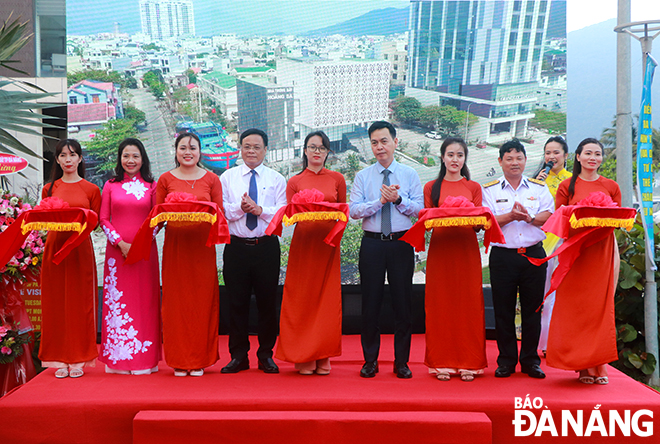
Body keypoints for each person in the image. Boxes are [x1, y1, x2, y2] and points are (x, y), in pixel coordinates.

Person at [350, 121, 423, 379]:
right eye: (374, 143)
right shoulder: (363, 176)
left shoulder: (410, 175)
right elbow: (354, 211)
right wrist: (379, 202)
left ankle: (401, 362)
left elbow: (419, 211)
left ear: (395, 142)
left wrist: (399, 200)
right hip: (371, 244)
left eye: (384, 141)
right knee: (370, 303)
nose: (379, 147)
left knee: (403, 303)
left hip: (401, 242)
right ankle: (370, 360)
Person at [550, 138, 621, 385]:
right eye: (588, 153)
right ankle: (581, 367)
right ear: (577, 157)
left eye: (597, 154)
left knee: (598, 308)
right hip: (575, 252)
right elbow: (560, 220)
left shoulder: (611, 186)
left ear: (602, 158)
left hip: (601, 252)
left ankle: (599, 365)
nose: (593, 157)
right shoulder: (567, 187)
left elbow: (618, 219)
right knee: (576, 307)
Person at [275, 131, 346, 375]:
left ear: (328, 152)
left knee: (327, 301)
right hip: (304, 246)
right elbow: (289, 217)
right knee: (302, 300)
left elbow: (343, 213)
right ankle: (303, 355)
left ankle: (323, 354)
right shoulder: (294, 181)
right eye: (312, 147)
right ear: (304, 151)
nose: (317, 151)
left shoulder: (337, 179)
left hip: (328, 246)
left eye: (322, 147)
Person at [482, 139, 553, 379]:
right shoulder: (490, 190)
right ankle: (506, 361)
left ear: (525, 160)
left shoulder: (538, 188)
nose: (514, 162)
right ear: (500, 162)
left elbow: (548, 215)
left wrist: (530, 218)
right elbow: (487, 220)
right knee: (504, 310)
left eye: (518, 158)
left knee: (533, 309)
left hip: (533, 254)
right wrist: (512, 216)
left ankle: (531, 361)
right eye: (509, 158)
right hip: (503, 256)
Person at [156, 132, 223, 377]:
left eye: (192, 148)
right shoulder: (165, 179)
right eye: (183, 147)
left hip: (203, 249)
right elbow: (157, 217)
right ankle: (179, 359)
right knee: (176, 304)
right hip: (175, 249)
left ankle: (200, 359)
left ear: (199, 151)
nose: (188, 151)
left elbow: (219, 214)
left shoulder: (212, 179)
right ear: (175, 151)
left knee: (202, 303)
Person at [220, 128, 286, 374]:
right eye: (247, 146)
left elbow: (282, 212)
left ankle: (266, 354)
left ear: (265, 150)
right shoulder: (227, 177)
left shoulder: (276, 178)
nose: (251, 151)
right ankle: (238, 356)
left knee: (268, 303)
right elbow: (223, 210)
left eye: (256, 147)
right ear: (240, 148)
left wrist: (259, 210)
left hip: (266, 247)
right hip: (236, 247)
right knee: (236, 303)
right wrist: (241, 208)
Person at [423, 137, 486, 382]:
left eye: (459, 155)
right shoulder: (431, 187)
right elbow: (427, 224)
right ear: (442, 157)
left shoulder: (473, 187)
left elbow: (480, 225)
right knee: (441, 305)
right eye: (450, 155)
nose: (455, 160)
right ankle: (442, 362)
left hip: (466, 252)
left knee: (468, 305)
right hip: (441, 252)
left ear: (464, 159)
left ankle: (470, 363)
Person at [40, 139, 101, 379]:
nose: (68, 159)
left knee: (80, 304)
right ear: (57, 160)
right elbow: (42, 220)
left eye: (72, 154)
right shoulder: (48, 188)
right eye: (63, 155)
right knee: (56, 304)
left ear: (80, 159)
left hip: (79, 250)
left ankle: (79, 358)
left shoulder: (91, 189)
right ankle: (58, 359)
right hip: (55, 250)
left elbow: (95, 223)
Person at [99, 138, 161, 375]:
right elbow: (103, 219)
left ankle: (144, 360)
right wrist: (120, 243)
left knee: (144, 301)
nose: (131, 160)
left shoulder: (152, 186)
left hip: (145, 253)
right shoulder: (110, 185)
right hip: (117, 255)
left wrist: (141, 243)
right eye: (126, 156)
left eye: (135, 156)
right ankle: (119, 359)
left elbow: (158, 219)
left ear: (142, 159)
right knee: (118, 301)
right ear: (120, 159)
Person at [534, 136, 571, 355]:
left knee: (562, 294)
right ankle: (543, 343)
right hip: (541, 242)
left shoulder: (573, 181)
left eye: (556, 152)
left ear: (566, 156)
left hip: (564, 241)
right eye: (548, 153)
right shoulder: (537, 181)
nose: (551, 157)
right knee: (545, 294)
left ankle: (561, 341)